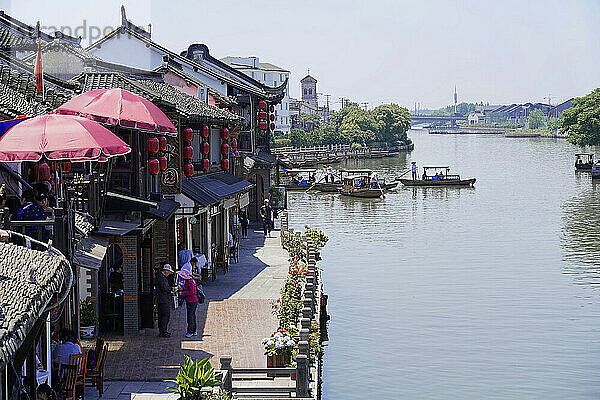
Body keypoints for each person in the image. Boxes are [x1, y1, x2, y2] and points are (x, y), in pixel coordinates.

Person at [177, 269, 199, 338]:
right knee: (192, 316)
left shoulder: (190, 282)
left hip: (192, 301)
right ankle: (194, 330)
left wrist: (182, 293)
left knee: (190, 316)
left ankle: (190, 331)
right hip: (191, 301)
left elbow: (191, 292)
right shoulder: (188, 281)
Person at [155, 264, 174, 338]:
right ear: (166, 271)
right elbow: (165, 288)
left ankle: (162, 331)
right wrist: (171, 289)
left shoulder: (160, 276)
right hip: (163, 299)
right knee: (165, 316)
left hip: (161, 299)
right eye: (169, 272)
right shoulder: (161, 278)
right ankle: (163, 332)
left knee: (162, 316)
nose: (169, 274)